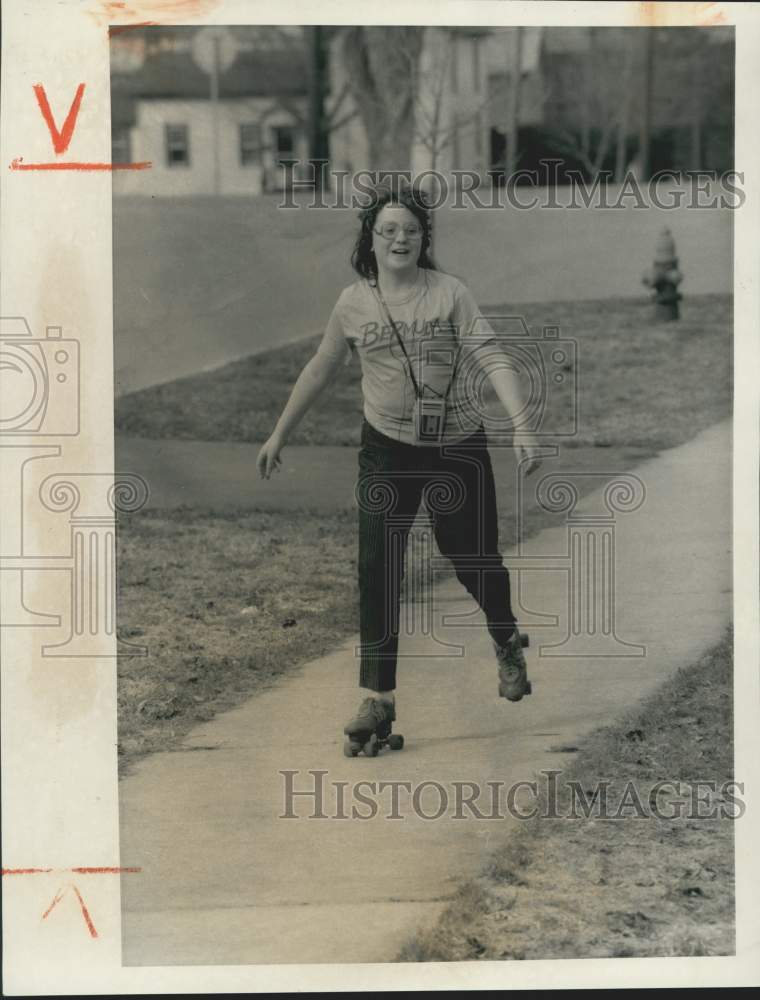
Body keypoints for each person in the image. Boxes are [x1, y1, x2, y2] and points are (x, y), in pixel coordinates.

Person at [257, 183, 542, 756]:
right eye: (388, 230)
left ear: (423, 238)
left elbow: (491, 356)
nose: (400, 239)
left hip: (456, 445)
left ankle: (505, 636)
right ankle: (377, 697)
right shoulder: (353, 303)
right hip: (386, 447)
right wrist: (279, 431)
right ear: (371, 238)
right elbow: (320, 368)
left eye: (410, 230)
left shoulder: (450, 294)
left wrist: (522, 424)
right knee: (378, 565)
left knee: (474, 558)